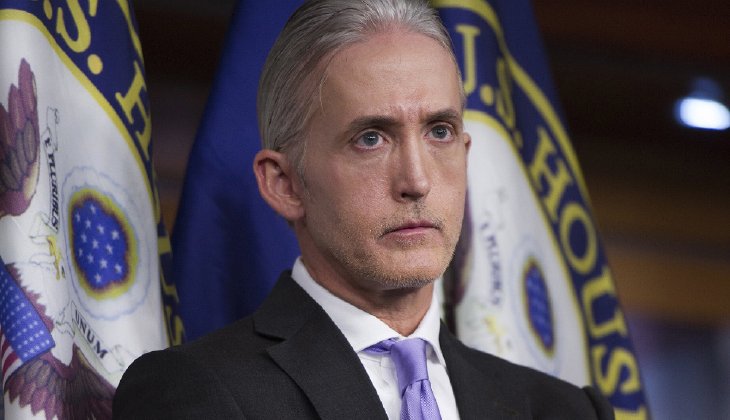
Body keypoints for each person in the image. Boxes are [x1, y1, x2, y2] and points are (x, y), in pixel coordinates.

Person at [113, 0, 615, 418]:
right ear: (284, 184)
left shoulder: (564, 410)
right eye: (371, 138)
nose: (416, 181)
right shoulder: (197, 392)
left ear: (466, 155)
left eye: (439, 132)